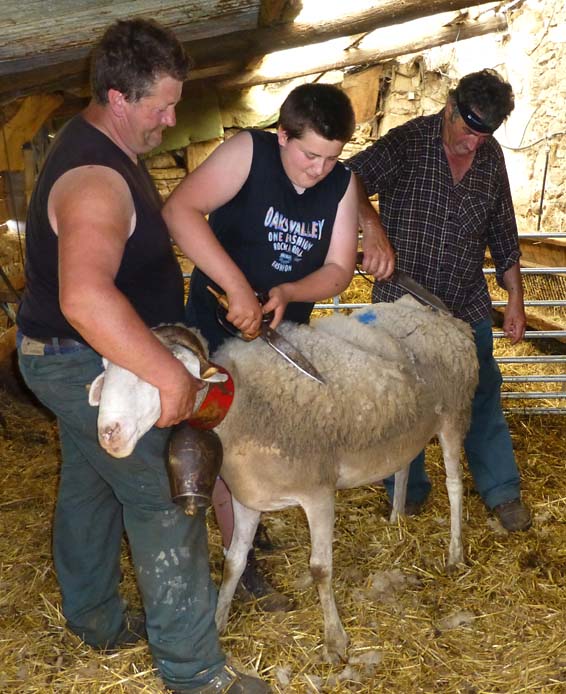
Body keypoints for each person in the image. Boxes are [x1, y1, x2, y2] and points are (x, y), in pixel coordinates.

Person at [16, 18, 269, 694]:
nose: (172, 118)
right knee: (162, 489)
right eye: (162, 104)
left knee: (92, 480)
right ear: (118, 97)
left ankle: (94, 619)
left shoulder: (104, 147)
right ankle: (195, 672)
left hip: (85, 354)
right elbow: (84, 297)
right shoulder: (96, 179)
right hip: (84, 358)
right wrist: (165, 376)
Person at [163, 83, 359, 604]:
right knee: (218, 436)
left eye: (331, 158)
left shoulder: (342, 184)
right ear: (283, 135)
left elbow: (339, 268)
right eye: (310, 155)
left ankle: (246, 522)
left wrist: (289, 292)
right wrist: (235, 287)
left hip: (278, 339)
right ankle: (239, 557)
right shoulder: (249, 152)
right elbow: (180, 211)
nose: (319, 169)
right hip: (216, 325)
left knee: (262, 437)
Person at [347, 68, 532, 532]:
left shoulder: (490, 158)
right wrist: (371, 225)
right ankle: (407, 492)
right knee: (401, 401)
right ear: (450, 109)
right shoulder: (408, 142)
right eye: (468, 131)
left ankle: (502, 490)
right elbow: (348, 179)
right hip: (403, 304)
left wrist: (515, 297)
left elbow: (503, 231)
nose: (473, 144)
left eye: (484, 136)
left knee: (481, 392)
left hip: (464, 306)